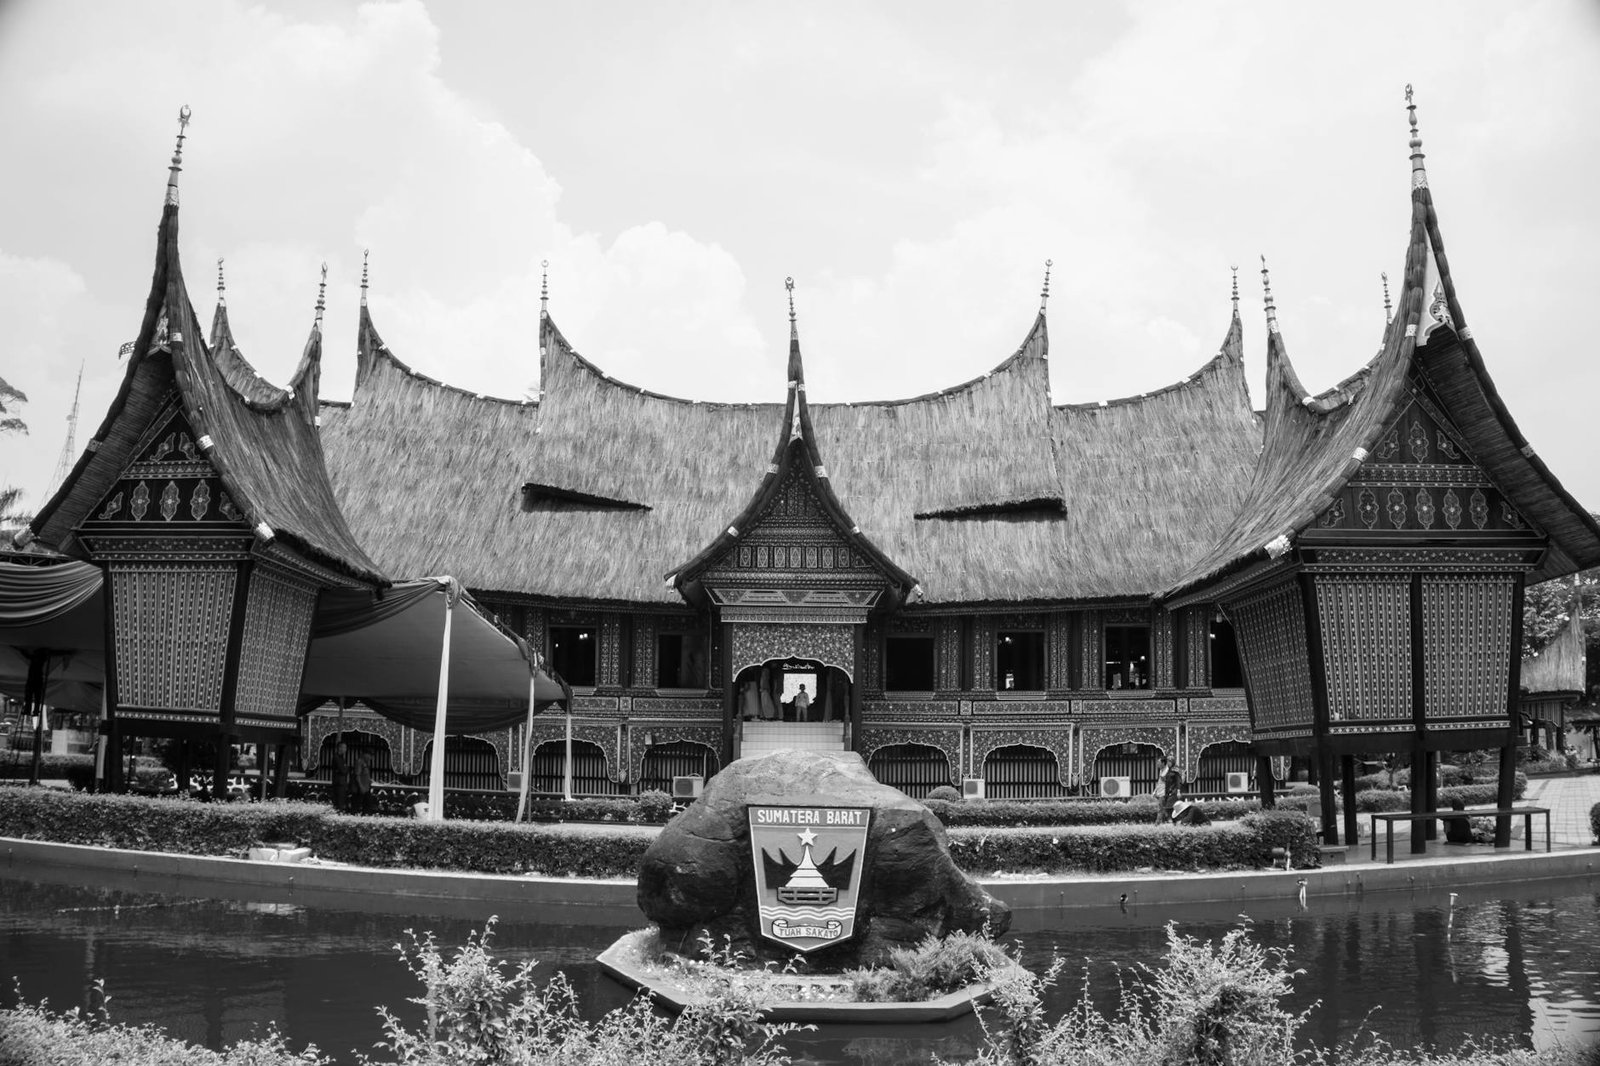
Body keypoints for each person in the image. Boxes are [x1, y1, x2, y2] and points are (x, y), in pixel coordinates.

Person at [1154, 756, 1181, 824]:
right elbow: (1166, 781)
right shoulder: (1168, 771)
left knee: (1169, 807)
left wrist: (1178, 791)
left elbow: (1178, 781)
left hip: (1173, 791)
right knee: (1167, 807)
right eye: (1168, 761)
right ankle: (1173, 821)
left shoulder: (1176, 771)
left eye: (1170, 762)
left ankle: (1172, 820)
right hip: (1168, 791)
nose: (1168, 763)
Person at [330, 741, 350, 812]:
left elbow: (345, 769)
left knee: (341, 800)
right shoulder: (336, 757)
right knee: (338, 801)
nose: (345, 749)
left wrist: (346, 768)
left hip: (342, 782)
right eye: (343, 747)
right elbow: (343, 770)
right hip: (338, 782)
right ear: (339, 748)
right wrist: (346, 768)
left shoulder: (342, 758)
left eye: (345, 748)